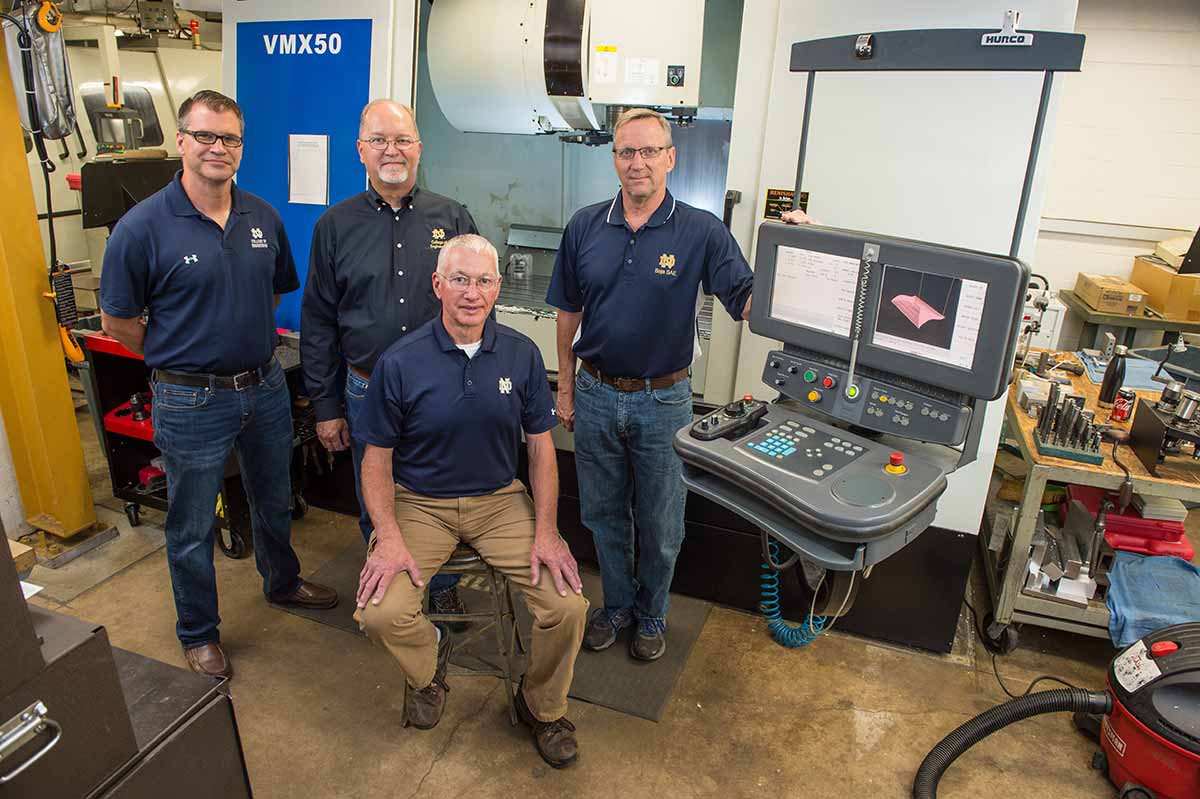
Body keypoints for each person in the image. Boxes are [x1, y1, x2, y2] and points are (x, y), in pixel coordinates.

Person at [99, 90, 337, 679]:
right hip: (189, 397)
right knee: (191, 521)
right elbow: (118, 323)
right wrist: (178, 358)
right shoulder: (142, 228)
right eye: (205, 136)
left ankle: (281, 582)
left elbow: (276, 288)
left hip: (263, 385)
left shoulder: (262, 217)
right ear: (181, 141)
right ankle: (199, 632)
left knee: (274, 497)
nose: (218, 149)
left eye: (229, 139)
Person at [353, 234, 587, 768]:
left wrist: (547, 531)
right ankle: (428, 660)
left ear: (498, 289)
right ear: (437, 285)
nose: (472, 292)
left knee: (566, 605)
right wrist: (387, 536)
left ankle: (542, 706)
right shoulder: (401, 361)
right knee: (379, 614)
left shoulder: (521, 355)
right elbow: (375, 459)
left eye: (483, 281)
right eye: (459, 279)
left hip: (500, 500)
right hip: (420, 502)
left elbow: (541, 451)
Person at [546, 108, 755, 662]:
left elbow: (749, 303)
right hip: (593, 394)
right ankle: (615, 606)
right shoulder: (585, 226)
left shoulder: (701, 230)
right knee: (602, 513)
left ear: (670, 158)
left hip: (665, 402)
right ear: (614, 158)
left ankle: (652, 614)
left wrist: (798, 251)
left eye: (648, 152)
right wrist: (564, 388)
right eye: (626, 152)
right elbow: (567, 313)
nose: (636, 163)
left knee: (662, 522)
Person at [301, 99, 477, 623]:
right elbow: (318, 321)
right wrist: (325, 406)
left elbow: (474, 306)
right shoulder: (334, 225)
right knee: (372, 494)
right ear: (361, 151)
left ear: (419, 149)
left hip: (439, 390)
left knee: (440, 492)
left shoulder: (452, 217)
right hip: (364, 389)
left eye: (402, 140)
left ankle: (440, 585)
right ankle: (387, 579)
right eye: (379, 140)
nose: (391, 150)